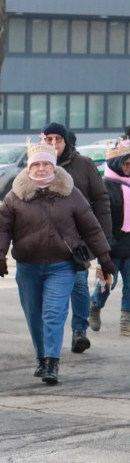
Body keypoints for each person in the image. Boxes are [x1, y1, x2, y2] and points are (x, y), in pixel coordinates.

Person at [0, 138, 113, 384]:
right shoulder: (16, 196)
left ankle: (51, 363)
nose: (41, 169)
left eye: (46, 164)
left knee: (54, 313)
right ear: (29, 167)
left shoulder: (71, 193)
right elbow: (2, 227)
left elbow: (91, 228)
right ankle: (41, 357)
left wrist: (105, 257)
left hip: (62, 266)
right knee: (34, 315)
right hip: (27, 268)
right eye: (36, 165)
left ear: (54, 166)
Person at [41, 122, 113, 354]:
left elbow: (101, 199)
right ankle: (49, 337)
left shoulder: (84, 165)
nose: (53, 144)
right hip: (45, 239)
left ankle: (79, 331)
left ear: (66, 142)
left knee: (79, 285)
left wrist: (104, 236)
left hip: (78, 239)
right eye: (48, 139)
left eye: (58, 139)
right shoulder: (38, 164)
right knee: (47, 291)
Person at [89, 140, 130, 336]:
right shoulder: (106, 186)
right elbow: (101, 217)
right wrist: (106, 239)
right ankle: (95, 305)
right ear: (116, 163)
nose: (129, 168)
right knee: (108, 282)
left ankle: (126, 320)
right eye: (126, 164)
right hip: (111, 246)